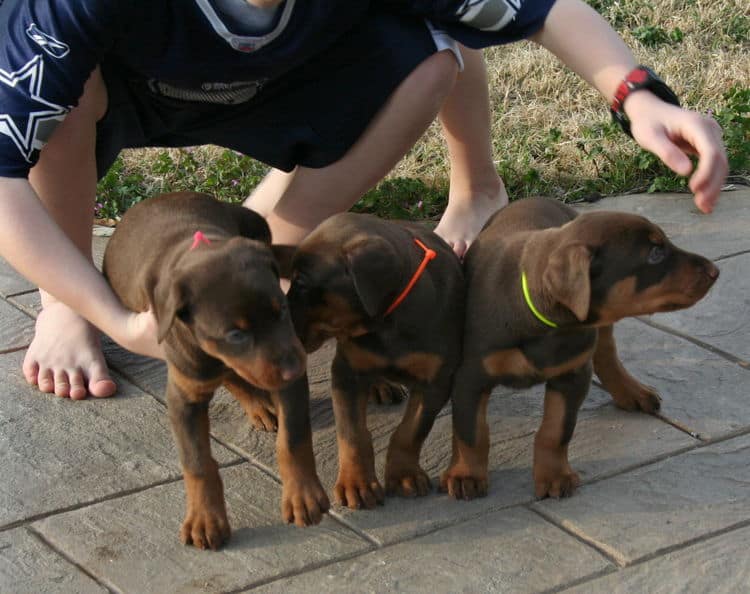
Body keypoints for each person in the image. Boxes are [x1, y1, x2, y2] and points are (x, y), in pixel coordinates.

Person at [0, 0, 727, 401]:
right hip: (115, 83)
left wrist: (635, 95)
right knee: (56, 111)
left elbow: (541, 7)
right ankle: (66, 303)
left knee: (426, 60)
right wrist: (118, 318)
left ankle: (262, 247)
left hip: (283, 79)